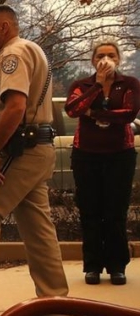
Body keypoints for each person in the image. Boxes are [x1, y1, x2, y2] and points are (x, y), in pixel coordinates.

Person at [0, 4, 75, 316]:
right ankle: (55, 306)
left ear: (5, 27)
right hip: (38, 149)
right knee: (38, 228)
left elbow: (15, 107)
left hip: (17, 150)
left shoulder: (12, 54)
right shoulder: (31, 49)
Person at [64, 40, 140, 286]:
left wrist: (94, 113)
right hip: (86, 154)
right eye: (100, 56)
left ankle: (117, 266)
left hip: (120, 154)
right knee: (90, 211)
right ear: (92, 60)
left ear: (118, 59)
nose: (105, 60)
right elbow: (73, 109)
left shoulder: (129, 84)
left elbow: (128, 113)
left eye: (111, 55)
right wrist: (97, 85)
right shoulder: (82, 85)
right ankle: (93, 266)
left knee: (116, 212)